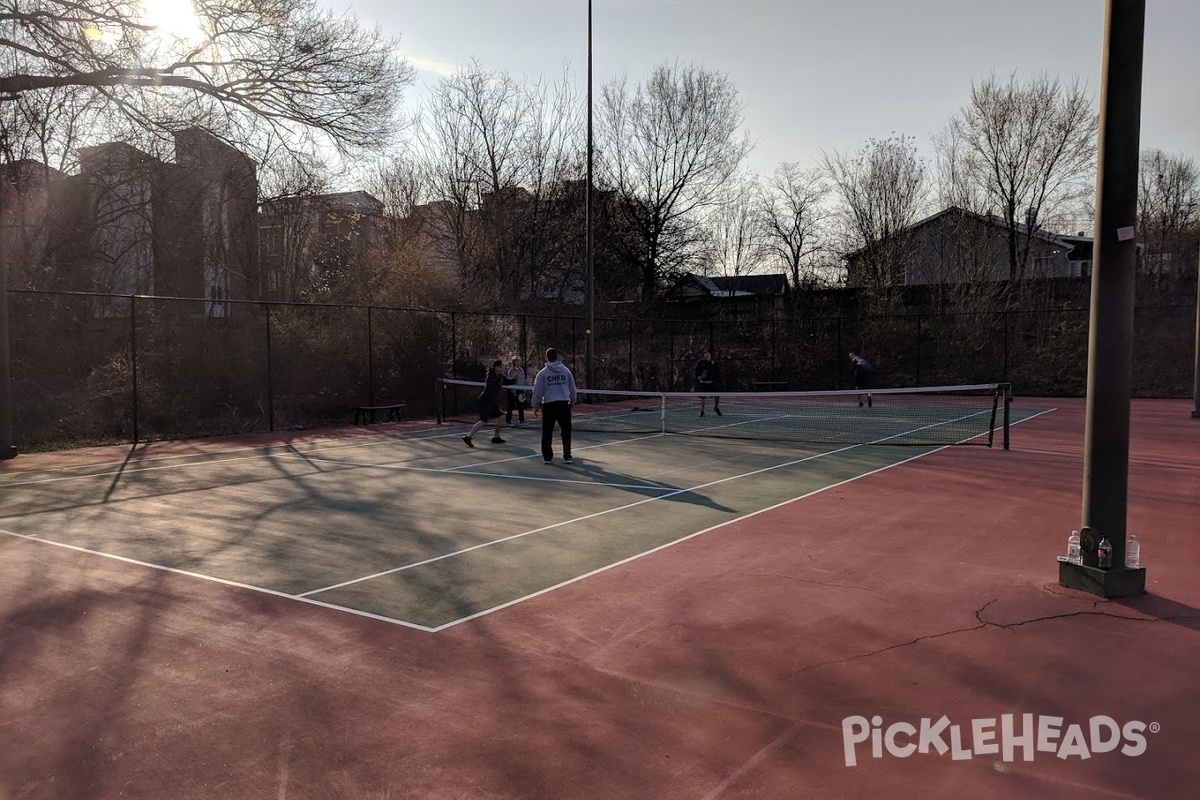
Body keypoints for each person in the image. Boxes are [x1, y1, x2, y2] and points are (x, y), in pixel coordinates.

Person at [531, 347, 577, 464]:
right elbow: (572, 389)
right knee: (566, 431)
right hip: (563, 405)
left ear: (547, 358)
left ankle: (547, 457)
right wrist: (572, 401)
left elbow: (537, 391)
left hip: (549, 405)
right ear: (557, 357)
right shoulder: (566, 371)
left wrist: (535, 404)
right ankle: (567, 456)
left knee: (547, 432)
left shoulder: (543, 373)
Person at [462, 360, 507, 447]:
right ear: (497, 367)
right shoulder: (490, 376)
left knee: (502, 416)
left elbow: (508, 381)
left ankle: (496, 437)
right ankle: (468, 437)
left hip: (492, 401)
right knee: (484, 420)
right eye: (501, 366)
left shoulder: (500, 376)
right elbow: (492, 385)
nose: (502, 368)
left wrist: (515, 377)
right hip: (485, 400)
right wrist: (499, 382)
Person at [694, 351, 722, 417]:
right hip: (703, 383)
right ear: (704, 355)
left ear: (710, 355)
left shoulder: (714, 362)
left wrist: (716, 380)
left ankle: (716, 407)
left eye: (708, 354)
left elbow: (718, 371)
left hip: (712, 383)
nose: (707, 355)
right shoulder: (700, 363)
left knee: (717, 395)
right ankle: (702, 411)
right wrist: (698, 377)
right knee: (702, 397)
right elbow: (696, 372)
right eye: (705, 354)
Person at [504, 356, 528, 427]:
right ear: (513, 362)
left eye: (519, 361)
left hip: (520, 390)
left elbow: (524, 380)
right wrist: (513, 391)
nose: (518, 363)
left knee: (520, 406)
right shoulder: (511, 371)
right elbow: (511, 381)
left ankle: (522, 421)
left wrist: (524, 389)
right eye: (517, 361)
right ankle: (508, 421)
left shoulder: (521, 370)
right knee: (511, 406)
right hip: (512, 391)